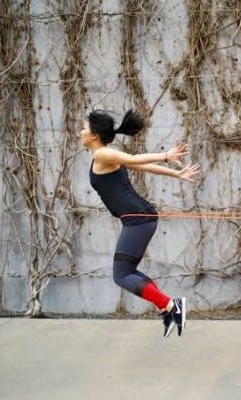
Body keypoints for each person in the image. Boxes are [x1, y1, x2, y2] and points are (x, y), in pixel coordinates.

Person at [79, 109, 201, 338]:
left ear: (94, 135)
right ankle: (167, 309)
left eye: (84, 128)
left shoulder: (102, 155)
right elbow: (140, 166)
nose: (80, 132)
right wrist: (177, 175)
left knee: (121, 275)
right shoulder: (107, 156)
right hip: (139, 219)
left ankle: (171, 306)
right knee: (128, 272)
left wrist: (166, 155)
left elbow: (135, 160)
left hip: (138, 219)